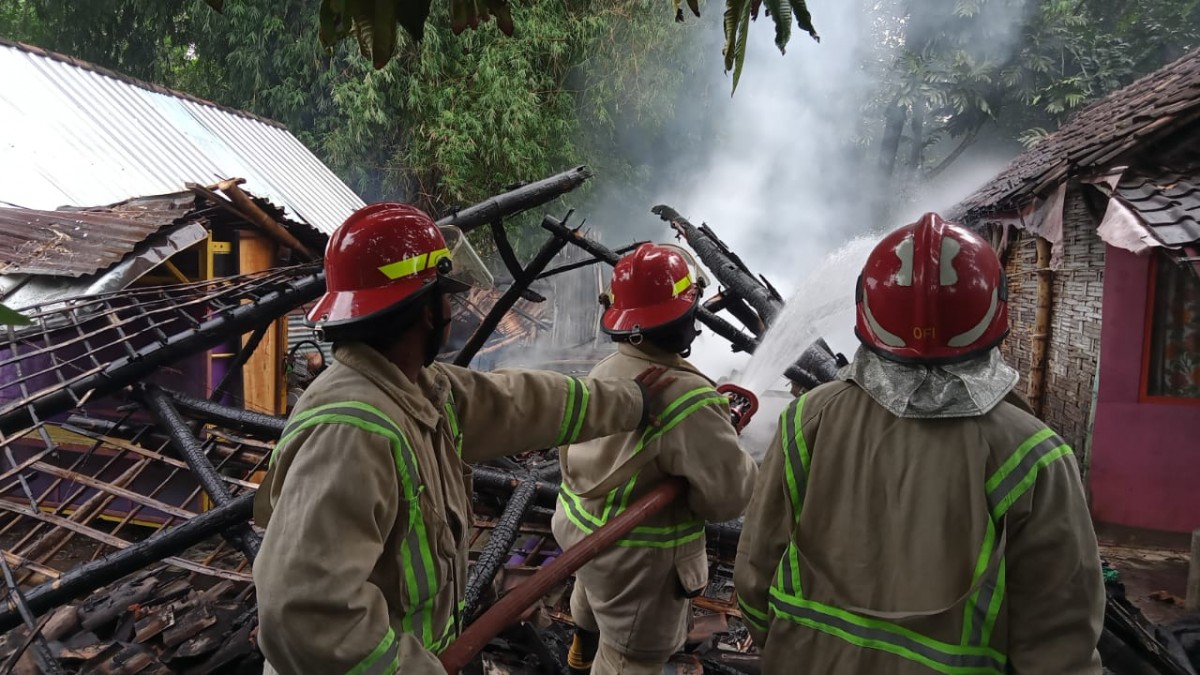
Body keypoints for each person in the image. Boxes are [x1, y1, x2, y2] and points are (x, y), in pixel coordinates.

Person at [253, 204, 677, 675]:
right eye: (445, 297)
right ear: (424, 312)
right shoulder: (352, 432)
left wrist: (634, 402)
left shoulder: (419, 389)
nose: (452, 311)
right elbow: (306, 617)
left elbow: (526, 402)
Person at [734, 213, 1104, 674]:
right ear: (996, 310)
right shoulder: (1035, 455)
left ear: (865, 308)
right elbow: (1060, 642)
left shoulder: (808, 419)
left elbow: (754, 574)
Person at [552, 243, 759, 675]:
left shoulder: (608, 368)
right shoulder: (689, 399)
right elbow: (726, 500)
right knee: (627, 660)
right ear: (683, 319)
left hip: (580, 537)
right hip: (636, 569)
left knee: (589, 602)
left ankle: (578, 654)